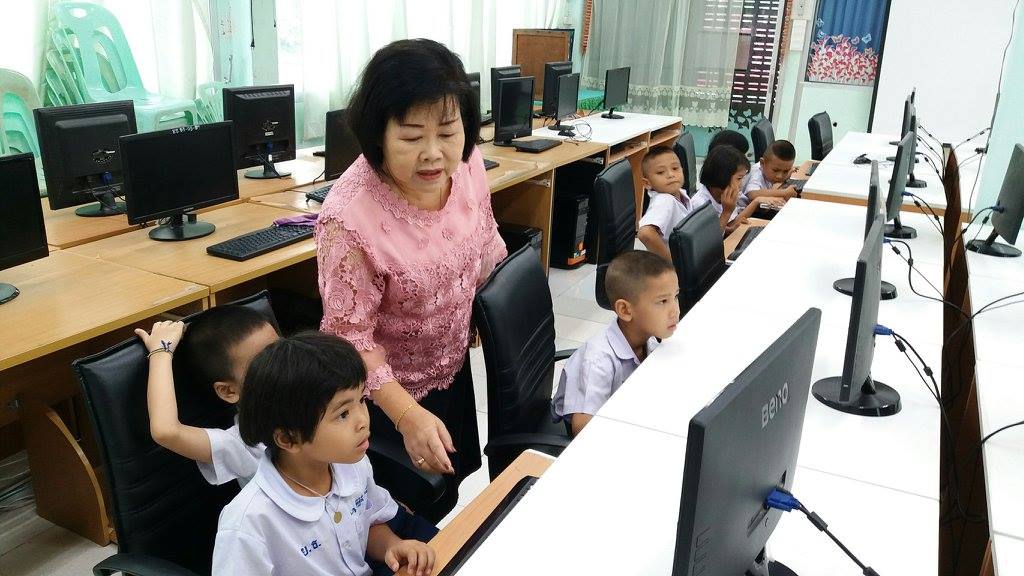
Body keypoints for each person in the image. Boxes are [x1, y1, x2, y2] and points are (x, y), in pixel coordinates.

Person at [315, 38, 506, 521]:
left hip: (450, 365)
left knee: (450, 482)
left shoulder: (468, 165)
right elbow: (349, 341)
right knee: (403, 516)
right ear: (377, 134)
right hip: (385, 398)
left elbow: (485, 236)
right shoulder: (349, 220)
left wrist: (482, 308)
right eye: (411, 137)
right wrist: (406, 416)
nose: (433, 154)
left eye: (448, 132)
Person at [212, 332, 436, 576]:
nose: (363, 420)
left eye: (362, 400)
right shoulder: (249, 523)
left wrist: (392, 546)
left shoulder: (351, 464)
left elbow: (367, 523)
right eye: (343, 414)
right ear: (288, 439)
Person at [135, 306, 279, 486]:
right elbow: (166, 431)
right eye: (264, 365)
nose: (283, 363)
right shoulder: (244, 446)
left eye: (281, 348)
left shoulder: (307, 384)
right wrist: (161, 352)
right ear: (228, 391)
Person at [551, 250, 680, 436]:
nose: (675, 310)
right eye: (663, 301)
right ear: (625, 310)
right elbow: (581, 428)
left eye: (675, 297)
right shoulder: (598, 362)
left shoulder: (647, 336)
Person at [691, 146, 781, 234]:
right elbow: (710, 239)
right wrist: (727, 212)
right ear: (722, 177)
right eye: (739, 178)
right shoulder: (700, 204)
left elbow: (730, 223)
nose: (741, 184)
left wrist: (729, 228)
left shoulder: (723, 195)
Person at [637, 146, 702, 261]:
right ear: (647, 183)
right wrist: (670, 264)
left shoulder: (680, 193)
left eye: (675, 168)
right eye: (660, 172)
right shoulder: (664, 200)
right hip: (677, 265)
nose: (671, 174)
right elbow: (645, 233)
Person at [739, 139, 799, 211]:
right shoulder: (756, 173)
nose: (779, 176)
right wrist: (784, 192)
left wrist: (788, 173)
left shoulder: (770, 167)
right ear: (762, 163)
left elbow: (782, 176)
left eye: (785, 171)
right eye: (775, 170)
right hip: (744, 212)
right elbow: (752, 194)